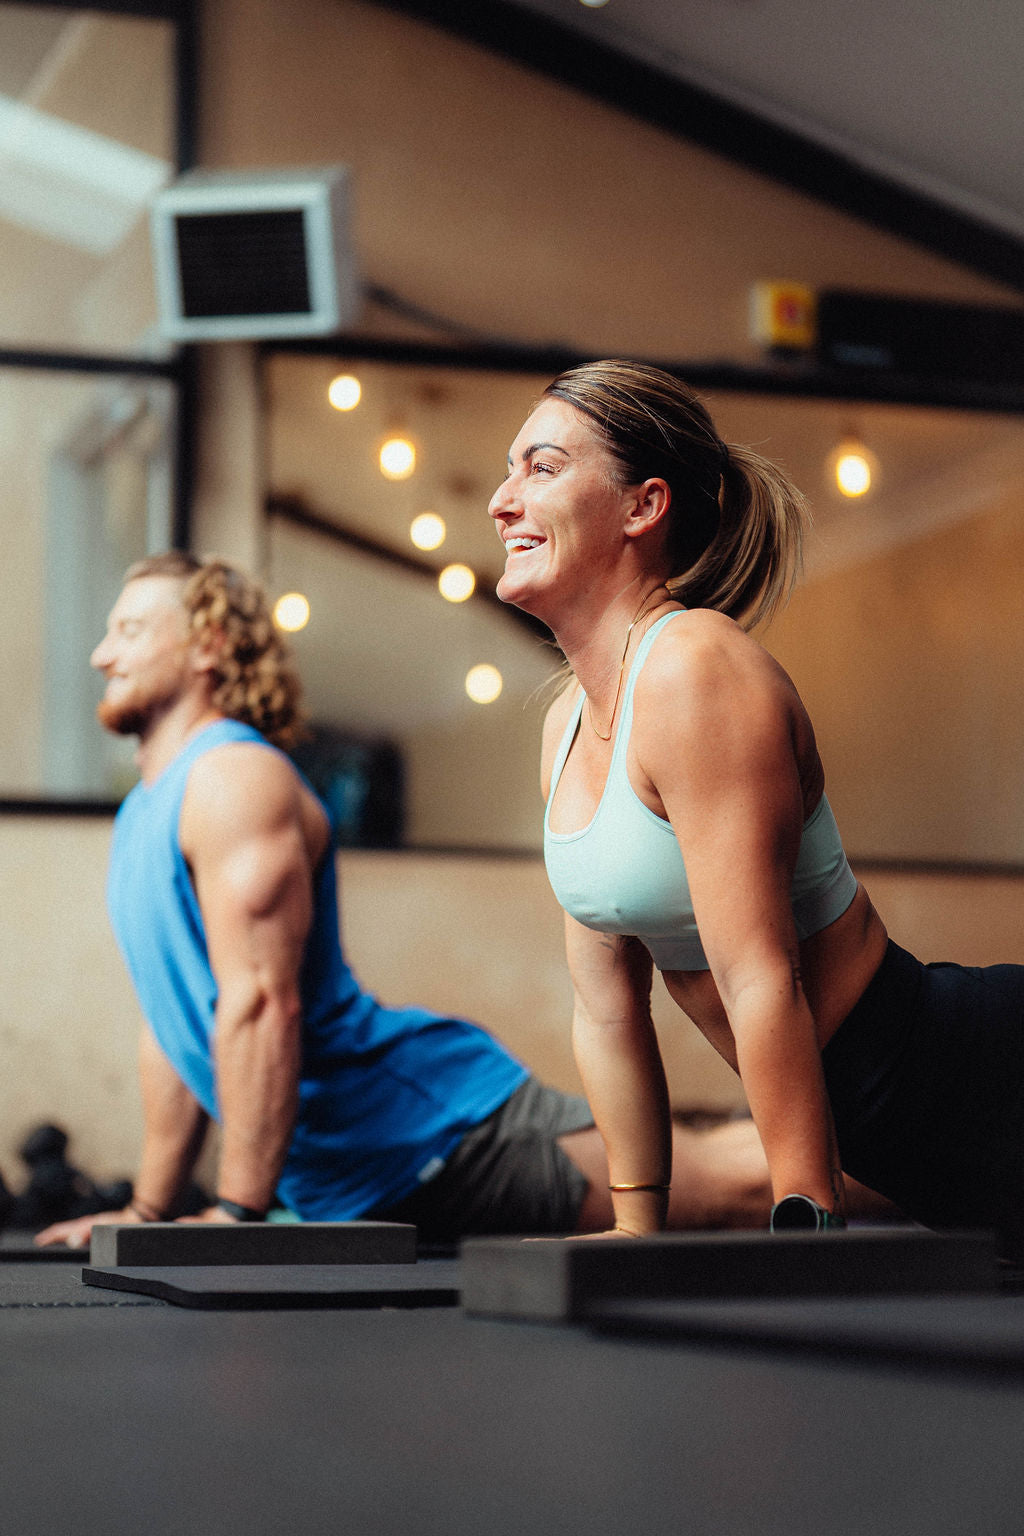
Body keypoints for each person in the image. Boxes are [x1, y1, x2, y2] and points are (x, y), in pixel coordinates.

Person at [37, 551, 784, 1250]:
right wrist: (147, 1212)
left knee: (731, 1190)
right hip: (361, 1173)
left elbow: (262, 1004)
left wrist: (237, 1215)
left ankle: (892, 1149)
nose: (104, 654)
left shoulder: (232, 780)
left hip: (439, 1132)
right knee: (718, 1166)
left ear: (208, 644)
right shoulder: (146, 811)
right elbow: (176, 1028)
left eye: (131, 631)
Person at [487, 358, 1024, 1248]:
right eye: (509, 470)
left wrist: (806, 1213)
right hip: (896, 1137)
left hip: (967, 1076)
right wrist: (635, 1228)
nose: (504, 500)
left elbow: (760, 977)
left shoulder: (697, 669)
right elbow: (608, 1010)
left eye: (541, 467)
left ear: (642, 506)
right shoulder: (567, 728)